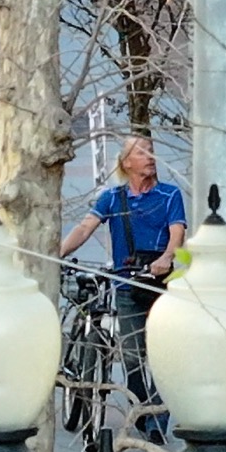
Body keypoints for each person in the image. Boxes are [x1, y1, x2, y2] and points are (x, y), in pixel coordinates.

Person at [57, 135, 188, 426]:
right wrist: (58, 253)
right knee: (132, 357)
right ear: (126, 163)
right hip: (127, 285)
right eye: (142, 154)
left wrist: (167, 257)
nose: (150, 158)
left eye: (152, 152)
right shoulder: (113, 198)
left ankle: (157, 420)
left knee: (164, 356)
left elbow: (177, 232)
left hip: (161, 285)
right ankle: (144, 415)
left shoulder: (169, 195)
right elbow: (84, 228)